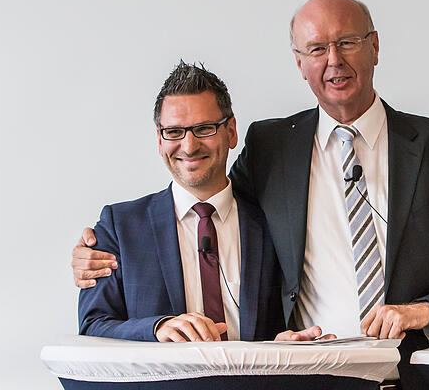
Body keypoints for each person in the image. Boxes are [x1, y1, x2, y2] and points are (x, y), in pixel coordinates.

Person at [73, 0, 429, 385]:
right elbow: (209, 203)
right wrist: (99, 253)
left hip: (418, 373)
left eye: (347, 42)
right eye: (317, 49)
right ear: (300, 63)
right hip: (308, 375)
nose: (334, 61)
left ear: (375, 46)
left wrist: (426, 310)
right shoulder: (270, 147)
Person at [78, 61, 286, 342]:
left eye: (204, 128)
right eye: (174, 132)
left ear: (231, 131)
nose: (189, 146)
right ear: (160, 140)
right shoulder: (119, 227)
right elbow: (93, 326)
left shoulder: (273, 222)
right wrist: (156, 328)